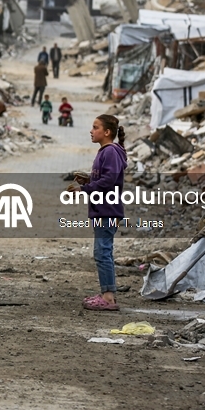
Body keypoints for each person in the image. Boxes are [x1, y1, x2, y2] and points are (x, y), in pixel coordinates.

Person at [68, 114, 127, 311]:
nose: (91, 131)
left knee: (102, 252)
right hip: (104, 209)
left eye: (95, 127)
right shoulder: (106, 151)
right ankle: (107, 293)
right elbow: (106, 180)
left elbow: (109, 181)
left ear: (107, 132)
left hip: (107, 210)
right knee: (104, 251)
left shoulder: (110, 152)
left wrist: (83, 190)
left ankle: (108, 298)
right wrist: (88, 181)